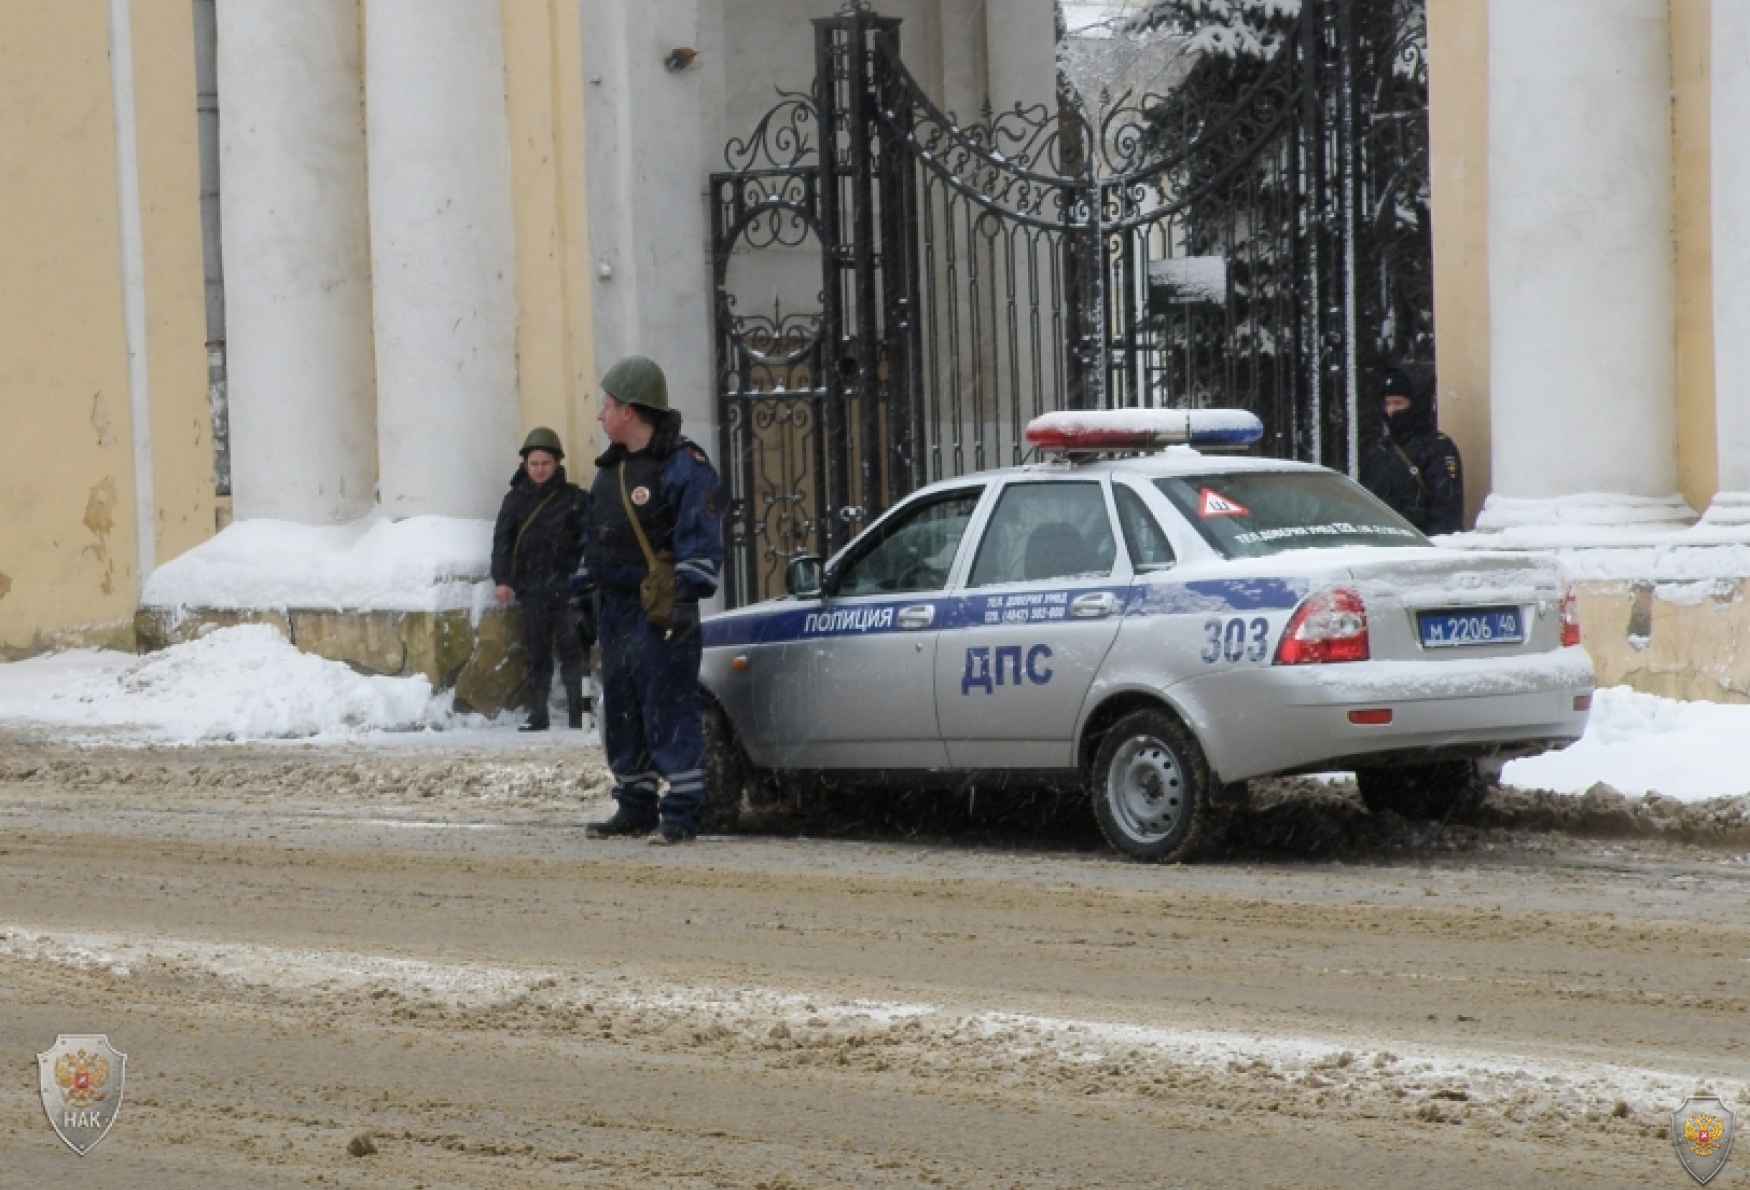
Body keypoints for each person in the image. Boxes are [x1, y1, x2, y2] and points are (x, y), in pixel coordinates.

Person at [579, 356, 724, 845]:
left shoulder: (685, 466)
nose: (600, 416)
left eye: (607, 406)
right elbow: (595, 538)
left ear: (631, 410)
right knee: (622, 708)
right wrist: (586, 593)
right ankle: (635, 803)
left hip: (659, 609)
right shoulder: (611, 470)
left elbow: (699, 538)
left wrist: (685, 600)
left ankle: (682, 812)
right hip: (615, 610)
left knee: (668, 706)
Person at [491, 427, 589, 731]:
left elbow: (589, 540)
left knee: (573, 652)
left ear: (557, 463)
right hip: (532, 589)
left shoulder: (574, 499)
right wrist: (502, 580)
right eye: (534, 464)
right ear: (525, 465)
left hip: (567, 588)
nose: (539, 470)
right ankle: (538, 712)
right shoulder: (514, 501)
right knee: (537, 653)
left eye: (545, 463)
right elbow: (502, 543)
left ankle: (578, 712)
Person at [1359, 363, 1464, 536]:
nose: (1391, 410)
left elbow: (1446, 512)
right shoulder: (1380, 449)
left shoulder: (1437, 448)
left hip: (1417, 547)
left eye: (1398, 403)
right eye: (1387, 403)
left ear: (1416, 404)